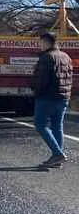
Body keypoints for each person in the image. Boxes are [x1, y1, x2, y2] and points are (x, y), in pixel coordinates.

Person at [31, 32, 74, 168]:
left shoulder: (46, 57)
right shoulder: (66, 56)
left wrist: (35, 90)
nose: (39, 45)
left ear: (46, 42)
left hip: (47, 97)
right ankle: (57, 159)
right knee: (57, 126)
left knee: (40, 125)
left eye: (40, 42)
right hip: (63, 97)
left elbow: (42, 80)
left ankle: (57, 154)